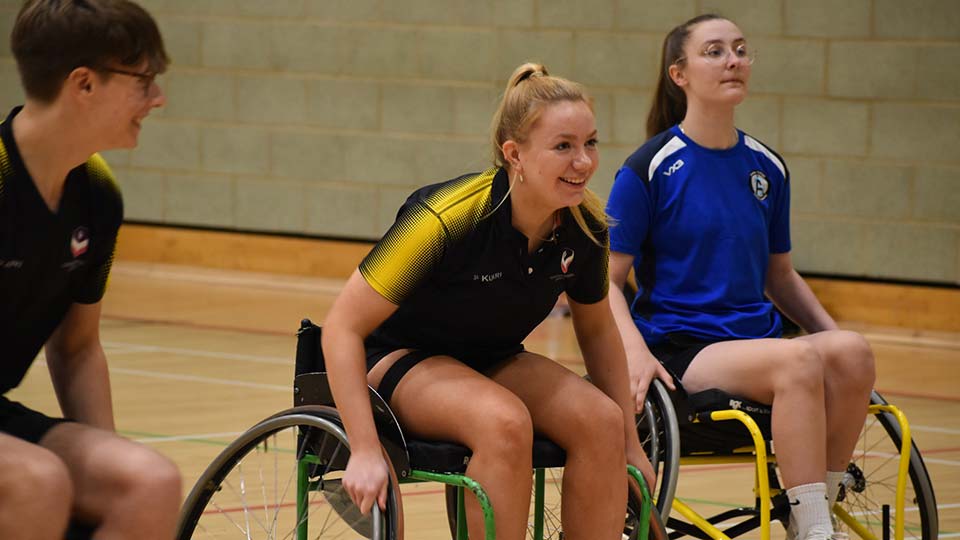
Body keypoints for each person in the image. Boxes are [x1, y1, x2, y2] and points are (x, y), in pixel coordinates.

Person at [323, 62, 654, 540]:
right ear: (514, 154)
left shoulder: (585, 228)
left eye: (591, 143)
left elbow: (599, 331)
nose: (583, 161)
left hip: (492, 359)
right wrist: (364, 447)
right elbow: (342, 328)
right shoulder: (447, 217)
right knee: (504, 422)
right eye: (563, 146)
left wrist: (631, 446)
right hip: (398, 359)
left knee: (603, 422)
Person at [605, 14, 875, 540]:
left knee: (854, 352)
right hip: (683, 347)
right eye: (714, 51)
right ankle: (818, 529)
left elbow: (780, 274)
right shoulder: (650, 168)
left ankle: (814, 506)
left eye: (741, 49)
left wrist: (831, 333)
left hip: (758, 345)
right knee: (797, 359)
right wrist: (634, 353)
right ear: (678, 74)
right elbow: (606, 281)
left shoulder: (766, 167)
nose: (733, 60)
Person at [0, 1, 181, 538]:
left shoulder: (97, 193)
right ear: (83, 84)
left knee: (147, 481)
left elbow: (76, 345)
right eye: (143, 80)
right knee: (36, 480)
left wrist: (107, 455)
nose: (157, 98)